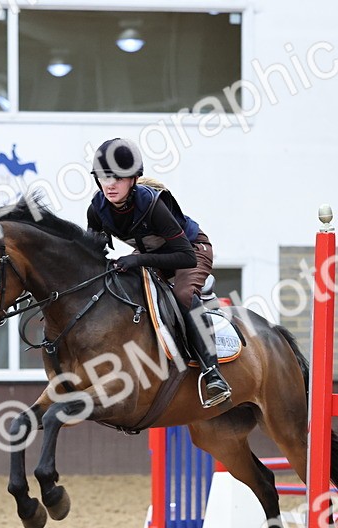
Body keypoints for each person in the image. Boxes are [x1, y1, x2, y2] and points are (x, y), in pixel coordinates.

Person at [86, 138, 231, 408]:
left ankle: (213, 374)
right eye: (104, 177)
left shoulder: (152, 204)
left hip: (191, 251)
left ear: (133, 179)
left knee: (183, 295)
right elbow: (92, 252)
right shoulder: (98, 208)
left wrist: (137, 259)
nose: (110, 184)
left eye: (118, 177)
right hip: (153, 259)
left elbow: (185, 255)